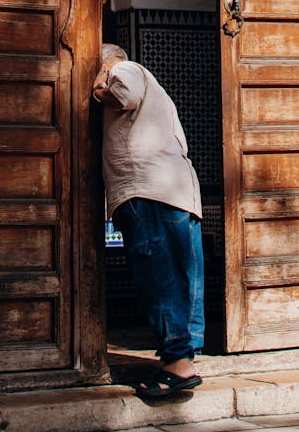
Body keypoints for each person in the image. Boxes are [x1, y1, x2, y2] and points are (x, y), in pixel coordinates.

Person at [93, 42, 205, 397]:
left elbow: (123, 95)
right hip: (174, 192)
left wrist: (100, 83)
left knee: (159, 276)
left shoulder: (126, 69)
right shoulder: (159, 95)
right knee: (183, 275)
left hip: (147, 191)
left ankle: (177, 364)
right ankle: (182, 356)